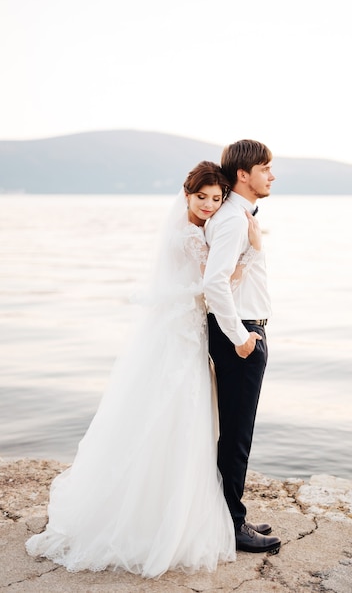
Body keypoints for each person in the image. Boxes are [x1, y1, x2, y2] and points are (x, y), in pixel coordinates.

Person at [25, 161, 263, 578]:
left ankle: (189, 510)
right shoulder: (191, 235)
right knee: (180, 418)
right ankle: (168, 519)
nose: (209, 205)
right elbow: (217, 281)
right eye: (202, 197)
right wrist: (253, 248)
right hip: (182, 337)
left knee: (173, 418)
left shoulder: (189, 229)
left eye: (216, 199)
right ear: (186, 194)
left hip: (182, 331)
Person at [204, 140, 281, 554]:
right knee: (237, 434)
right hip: (240, 334)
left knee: (234, 431)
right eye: (265, 168)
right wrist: (242, 338)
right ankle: (231, 526)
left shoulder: (238, 217)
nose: (271, 175)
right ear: (243, 174)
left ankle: (229, 513)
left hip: (245, 329)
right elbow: (214, 282)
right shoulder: (233, 219)